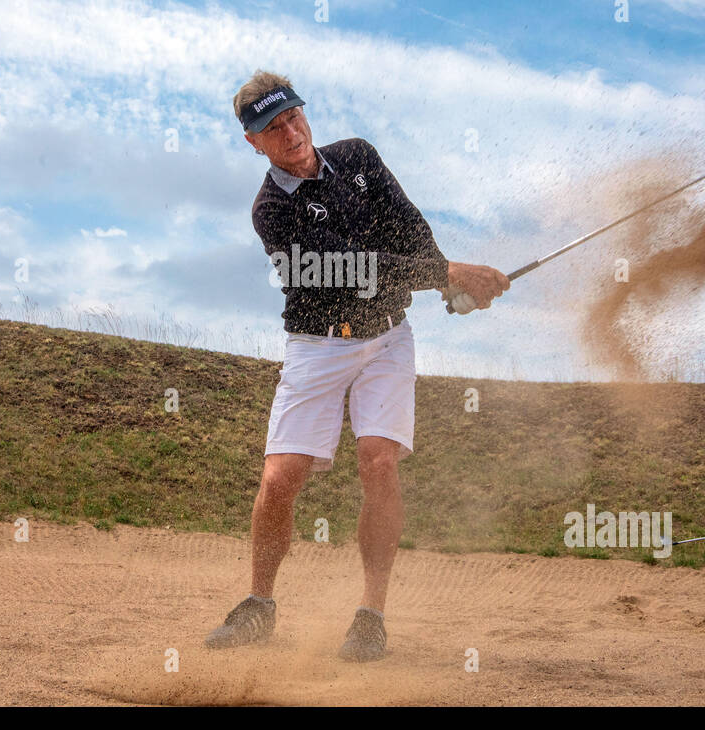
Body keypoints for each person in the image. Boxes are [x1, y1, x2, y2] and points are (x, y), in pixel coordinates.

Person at [204, 70, 510, 662]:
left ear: (304, 113)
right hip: (316, 345)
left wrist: (447, 282)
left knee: (379, 461)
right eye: (273, 128)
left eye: (294, 117)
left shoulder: (358, 157)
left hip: (387, 339)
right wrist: (447, 274)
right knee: (280, 477)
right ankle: (259, 604)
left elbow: (408, 227)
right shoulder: (271, 211)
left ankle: (371, 616)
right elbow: (351, 269)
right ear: (254, 143)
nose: (291, 133)